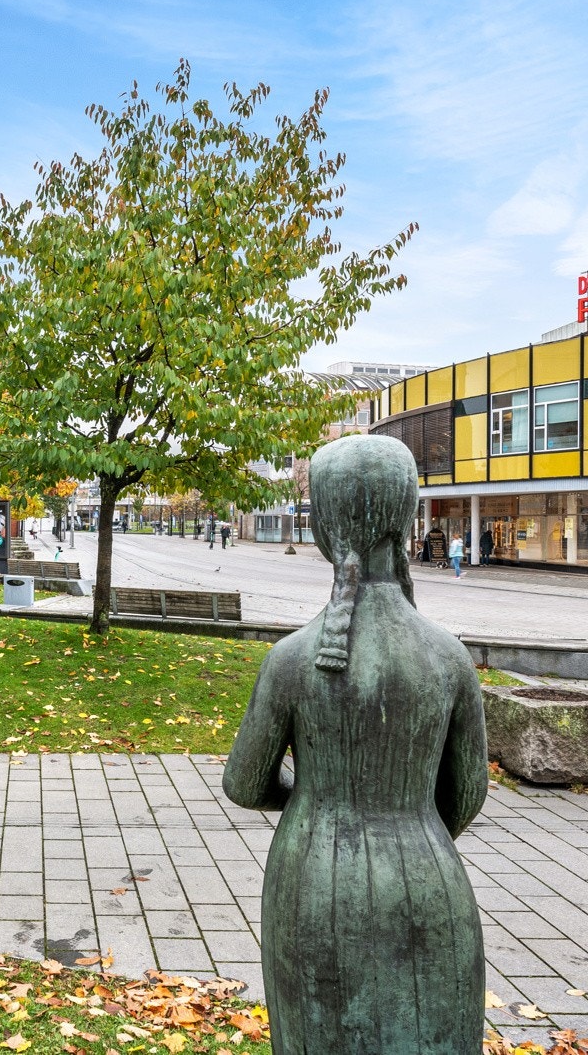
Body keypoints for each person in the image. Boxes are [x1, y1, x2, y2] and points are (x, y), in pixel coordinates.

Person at [222, 434, 487, 1052]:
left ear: (324, 530)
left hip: (313, 882)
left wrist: (312, 798)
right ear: (407, 519)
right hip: (430, 884)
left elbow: (244, 784)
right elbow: (467, 795)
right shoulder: (449, 659)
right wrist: (410, 821)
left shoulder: (291, 660)